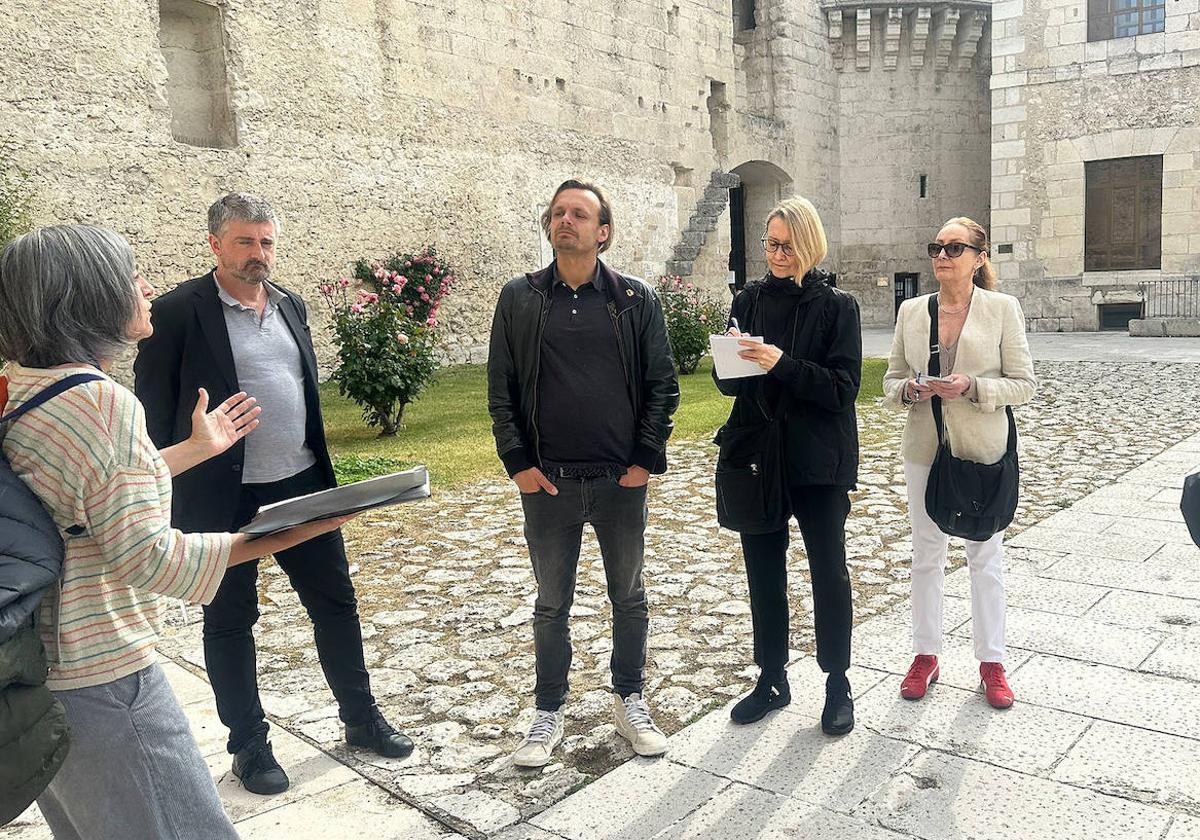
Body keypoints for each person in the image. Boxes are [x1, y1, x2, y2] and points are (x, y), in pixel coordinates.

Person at [0, 224, 357, 839]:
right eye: (129, 275)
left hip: (43, 680)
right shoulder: (101, 403)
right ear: (89, 296)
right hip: (105, 677)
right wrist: (279, 535)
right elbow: (151, 560)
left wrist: (193, 449)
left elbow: (86, 497)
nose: (146, 287)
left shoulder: (28, 389)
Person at [134, 193, 411, 797]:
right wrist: (172, 475)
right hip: (221, 496)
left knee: (335, 603)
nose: (258, 254)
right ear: (214, 243)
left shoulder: (291, 304)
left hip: (304, 482)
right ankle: (249, 748)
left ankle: (361, 719)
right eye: (244, 242)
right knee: (231, 620)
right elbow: (154, 408)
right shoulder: (180, 311)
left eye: (266, 242)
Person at [487, 178, 680, 767]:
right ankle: (548, 712)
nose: (564, 220)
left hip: (620, 482)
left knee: (629, 596)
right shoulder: (519, 298)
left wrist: (644, 460)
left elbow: (661, 386)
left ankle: (629, 699)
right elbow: (502, 390)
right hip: (549, 485)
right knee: (552, 602)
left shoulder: (635, 300)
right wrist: (518, 463)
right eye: (557, 213)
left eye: (578, 213)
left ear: (604, 232)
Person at [713, 197, 862, 734]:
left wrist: (781, 364)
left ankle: (837, 681)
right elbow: (727, 385)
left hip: (819, 460)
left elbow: (844, 389)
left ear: (809, 243)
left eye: (786, 244)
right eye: (770, 244)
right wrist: (731, 358)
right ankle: (771, 677)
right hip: (757, 454)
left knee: (828, 573)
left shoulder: (838, 305)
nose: (776, 254)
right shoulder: (748, 300)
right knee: (763, 573)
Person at [883, 216, 1036, 709]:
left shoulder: (1001, 309)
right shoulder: (911, 311)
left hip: (982, 449)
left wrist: (974, 387)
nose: (942, 256)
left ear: (979, 257)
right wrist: (909, 389)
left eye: (954, 248)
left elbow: (1025, 385)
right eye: (937, 248)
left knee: (984, 557)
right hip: (925, 447)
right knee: (927, 554)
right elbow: (889, 381)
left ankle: (992, 661)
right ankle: (925, 654)